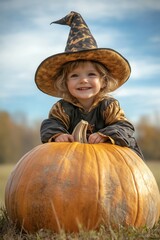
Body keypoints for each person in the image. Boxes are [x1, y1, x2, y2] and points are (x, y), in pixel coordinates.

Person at [35, 11, 143, 159]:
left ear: (103, 81)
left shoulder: (109, 106)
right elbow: (50, 124)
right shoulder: (62, 109)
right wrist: (58, 134)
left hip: (110, 161)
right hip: (72, 161)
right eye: (74, 75)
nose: (83, 80)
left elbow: (124, 127)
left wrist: (105, 135)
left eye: (91, 74)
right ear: (65, 83)